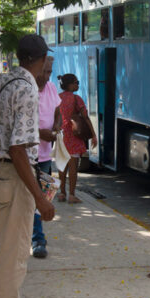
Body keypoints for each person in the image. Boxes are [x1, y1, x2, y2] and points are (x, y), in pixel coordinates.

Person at [0, 34, 55, 298]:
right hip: (13, 175)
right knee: (13, 256)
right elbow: (18, 148)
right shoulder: (27, 88)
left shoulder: (2, 80)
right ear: (39, 59)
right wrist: (40, 199)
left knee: (5, 250)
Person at [34, 55, 62, 259]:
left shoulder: (51, 88)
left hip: (44, 155)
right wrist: (38, 134)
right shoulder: (25, 89)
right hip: (24, 156)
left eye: (49, 72)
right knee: (28, 197)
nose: (45, 76)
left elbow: (58, 111)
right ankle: (37, 238)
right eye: (43, 71)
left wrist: (57, 125)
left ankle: (38, 238)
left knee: (42, 197)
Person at [57, 73, 96, 204]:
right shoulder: (76, 98)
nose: (77, 84)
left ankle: (62, 193)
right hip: (73, 136)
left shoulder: (57, 98)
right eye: (76, 82)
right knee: (73, 166)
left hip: (60, 135)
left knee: (62, 165)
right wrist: (93, 134)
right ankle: (72, 195)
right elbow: (85, 117)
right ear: (69, 84)